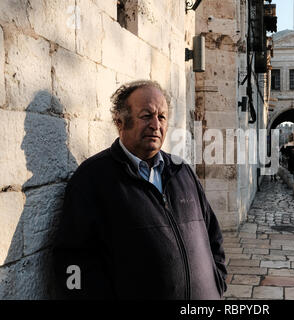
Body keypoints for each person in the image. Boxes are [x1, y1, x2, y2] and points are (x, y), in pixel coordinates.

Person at [53, 80, 227, 299]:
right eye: (146, 116)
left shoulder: (183, 172)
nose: (156, 125)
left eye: (161, 116)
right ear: (120, 122)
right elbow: (72, 263)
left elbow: (213, 235)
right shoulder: (92, 179)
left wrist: (217, 281)